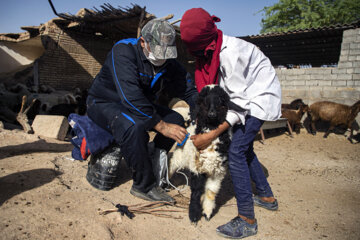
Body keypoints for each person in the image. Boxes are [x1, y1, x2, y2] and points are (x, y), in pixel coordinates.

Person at [180, 8, 282, 239]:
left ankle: (247, 219)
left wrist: (209, 136)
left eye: (195, 47)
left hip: (258, 99)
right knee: (244, 148)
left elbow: (238, 102)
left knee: (235, 151)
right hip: (247, 98)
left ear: (203, 39)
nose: (193, 52)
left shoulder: (230, 53)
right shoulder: (211, 51)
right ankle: (266, 197)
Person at [86, 19, 198, 203]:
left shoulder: (169, 64)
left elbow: (189, 91)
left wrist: (199, 111)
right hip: (105, 102)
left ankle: (154, 156)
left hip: (139, 104)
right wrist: (161, 126)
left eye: (165, 52)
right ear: (143, 42)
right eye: (157, 50)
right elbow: (130, 96)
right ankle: (144, 186)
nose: (161, 57)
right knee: (134, 126)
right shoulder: (123, 51)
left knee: (176, 119)